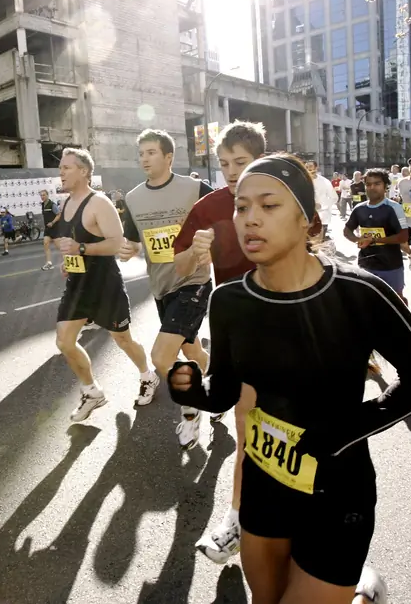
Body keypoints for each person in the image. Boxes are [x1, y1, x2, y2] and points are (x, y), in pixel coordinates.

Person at [167, 153, 411, 604]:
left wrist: (350, 428)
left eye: (269, 206)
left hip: (338, 491)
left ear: (307, 222)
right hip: (263, 482)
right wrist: (194, 388)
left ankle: (363, 593)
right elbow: (224, 389)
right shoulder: (229, 300)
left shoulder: (359, 292)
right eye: (241, 207)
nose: (249, 219)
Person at [172, 119, 266, 564]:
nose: (230, 171)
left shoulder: (281, 196)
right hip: (238, 326)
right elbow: (177, 265)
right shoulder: (208, 207)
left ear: (260, 160)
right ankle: (236, 521)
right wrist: (197, 250)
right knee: (247, 426)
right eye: (224, 163)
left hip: (292, 323)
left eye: (241, 162)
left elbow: (317, 242)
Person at [119, 129, 213, 424]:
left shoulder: (195, 189)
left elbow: (225, 221)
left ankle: (192, 406)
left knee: (161, 357)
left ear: (168, 157)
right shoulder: (133, 198)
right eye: (141, 153)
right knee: (191, 349)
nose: (144, 158)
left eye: (151, 152)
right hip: (161, 287)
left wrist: (214, 246)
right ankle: (215, 378)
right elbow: (134, 240)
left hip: (194, 281)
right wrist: (128, 249)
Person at [53, 147, 151, 422]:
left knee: (122, 339)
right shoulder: (67, 204)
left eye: (66, 168)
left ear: (83, 171)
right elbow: (75, 243)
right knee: (64, 341)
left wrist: (80, 249)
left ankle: (147, 374)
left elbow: (116, 244)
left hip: (104, 284)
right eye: (61, 168)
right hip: (77, 284)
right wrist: (68, 259)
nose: (61, 172)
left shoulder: (99, 203)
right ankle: (91, 391)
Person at [344, 169, 409, 300]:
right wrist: (357, 239)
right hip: (365, 265)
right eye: (368, 184)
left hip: (390, 265)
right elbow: (347, 230)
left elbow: (403, 236)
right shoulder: (359, 208)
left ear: (385, 186)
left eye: (377, 184)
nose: (372, 187)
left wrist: (373, 240)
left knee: (396, 300)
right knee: (368, 301)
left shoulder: (394, 208)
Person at [305, 160, 338, 241]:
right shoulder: (302, 181)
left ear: (316, 168)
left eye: (310, 166)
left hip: (322, 217)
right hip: (306, 218)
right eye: (307, 167)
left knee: (319, 243)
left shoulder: (325, 182)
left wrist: (321, 205)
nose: (308, 169)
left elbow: (334, 198)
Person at [40, 189, 62, 270]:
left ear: (47, 195)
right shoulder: (42, 205)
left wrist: (52, 222)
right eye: (41, 195)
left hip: (54, 228)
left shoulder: (52, 205)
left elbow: (59, 215)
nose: (42, 197)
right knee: (46, 243)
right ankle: (49, 263)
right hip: (47, 229)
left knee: (59, 247)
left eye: (44, 195)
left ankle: (68, 261)